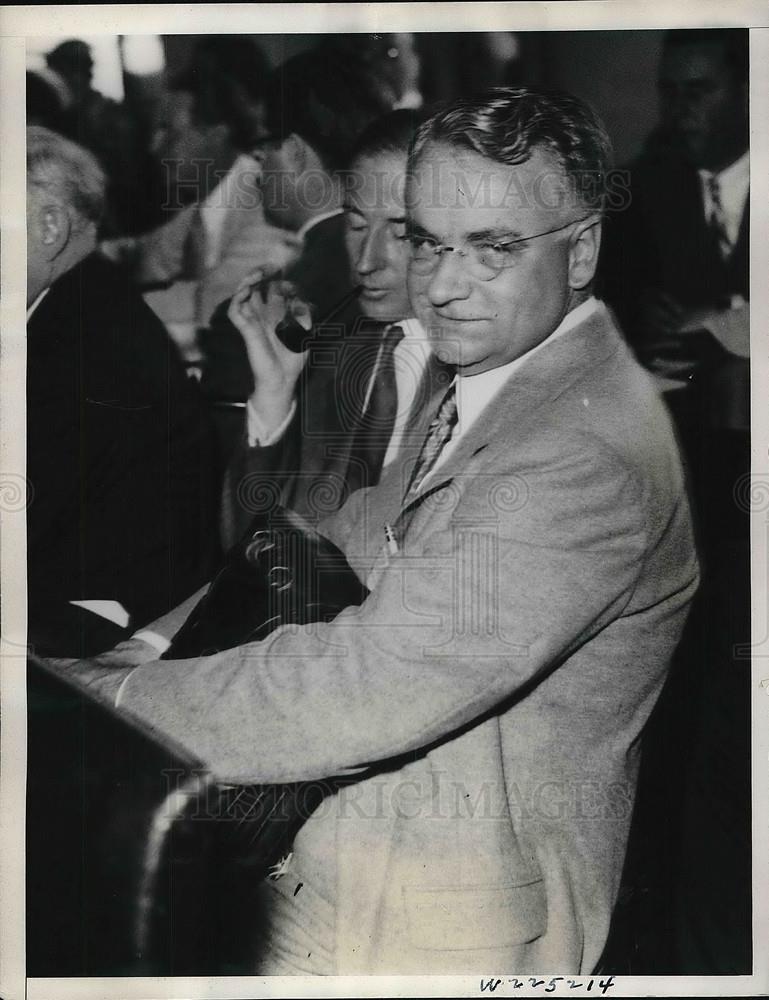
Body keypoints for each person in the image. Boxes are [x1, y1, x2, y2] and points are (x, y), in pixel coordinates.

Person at [44, 87, 698, 975]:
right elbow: (334, 534)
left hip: (441, 927)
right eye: (428, 240)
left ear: (580, 250)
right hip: (349, 862)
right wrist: (148, 652)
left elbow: (365, 683)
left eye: (493, 248)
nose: (441, 283)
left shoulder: (584, 452)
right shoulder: (492, 379)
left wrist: (88, 702)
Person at [599, 29, 751, 974]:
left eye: (698, 90)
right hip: (693, 500)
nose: (678, 109)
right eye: (668, 90)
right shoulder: (647, 188)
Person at [26, 126, 216, 656]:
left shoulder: (87, 343)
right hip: (68, 583)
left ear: (48, 226)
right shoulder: (80, 305)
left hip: (92, 616)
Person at [219, 108, 448, 546]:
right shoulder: (342, 355)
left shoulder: (473, 375)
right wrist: (274, 391)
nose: (365, 260)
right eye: (357, 225)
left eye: (401, 233)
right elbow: (247, 548)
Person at [198, 48, 394, 462]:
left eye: (260, 151)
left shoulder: (259, 315)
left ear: (297, 152)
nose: (256, 172)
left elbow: (228, 479)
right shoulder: (413, 272)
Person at [100, 36, 299, 364]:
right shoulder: (203, 207)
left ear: (216, 131)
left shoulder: (266, 202)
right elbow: (142, 252)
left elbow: (213, 309)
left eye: (169, 131)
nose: (154, 147)